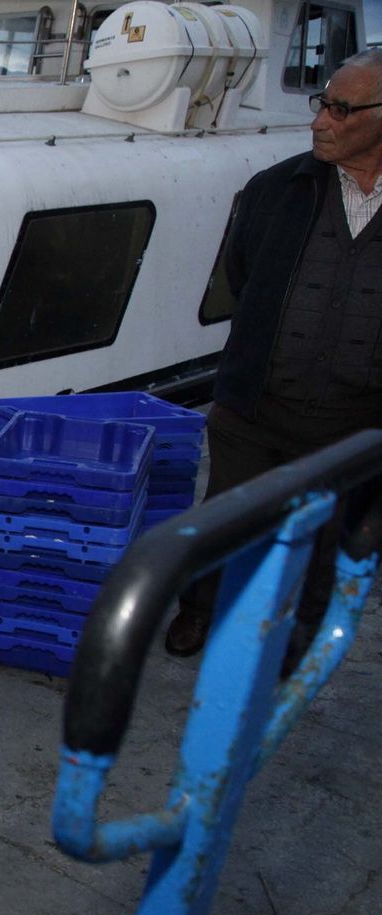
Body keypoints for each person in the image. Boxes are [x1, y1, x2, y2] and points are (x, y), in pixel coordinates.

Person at [166, 49, 382, 664]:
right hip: (256, 407)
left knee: (329, 539)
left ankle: (298, 641)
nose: (321, 122)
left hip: (357, 423)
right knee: (228, 519)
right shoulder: (276, 189)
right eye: (322, 104)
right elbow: (241, 273)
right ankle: (199, 615)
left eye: (342, 110)